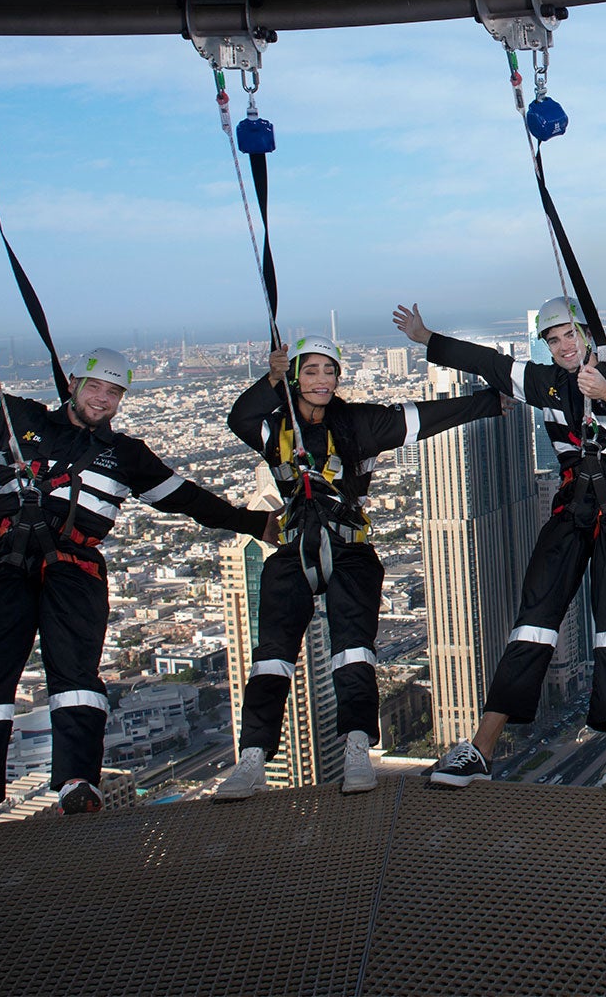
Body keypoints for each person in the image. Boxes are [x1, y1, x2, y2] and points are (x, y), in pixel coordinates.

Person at [0, 294, 278, 830]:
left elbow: (189, 500)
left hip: (76, 569)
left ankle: (77, 782)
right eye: (96, 387)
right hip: (6, 564)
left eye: (114, 392)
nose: (104, 399)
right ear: (73, 385)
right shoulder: (19, 420)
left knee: (76, 674)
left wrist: (254, 523)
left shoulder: (128, 455)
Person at [394, 297, 606, 790]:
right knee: (534, 619)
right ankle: (481, 749)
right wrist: (427, 339)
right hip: (570, 508)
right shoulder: (544, 383)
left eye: (570, 335)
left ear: (587, 335)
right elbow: (487, 362)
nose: (564, 346)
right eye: (554, 339)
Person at [214, 332, 503, 800]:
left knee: (353, 648)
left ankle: (355, 746)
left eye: (330, 372)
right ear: (294, 376)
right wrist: (271, 381)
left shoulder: (359, 424)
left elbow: (421, 419)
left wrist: (491, 402)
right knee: (272, 652)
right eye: (310, 371)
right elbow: (238, 418)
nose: (322, 380)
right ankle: (252, 757)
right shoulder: (276, 426)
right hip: (294, 549)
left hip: (348, 548)